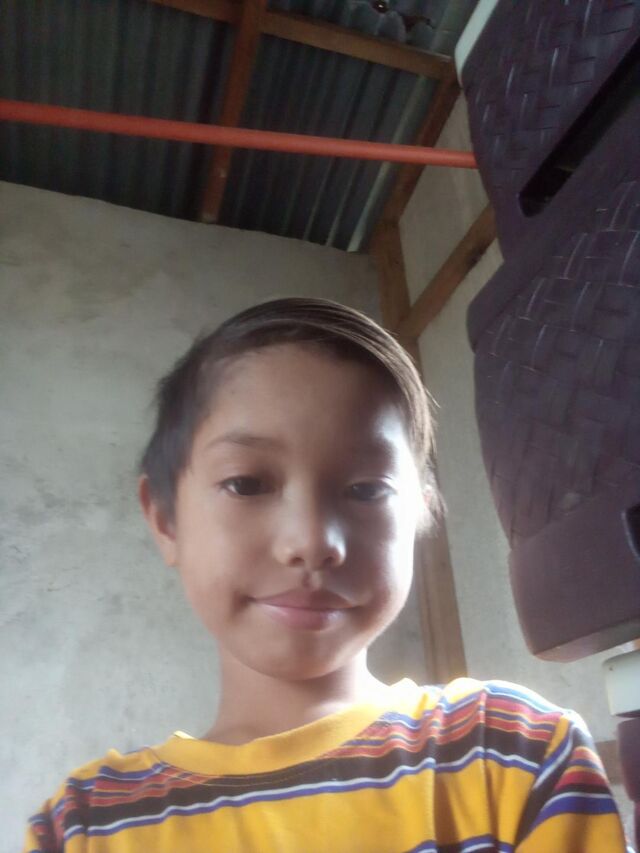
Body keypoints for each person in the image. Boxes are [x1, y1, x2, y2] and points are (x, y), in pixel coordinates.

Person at [23, 298, 628, 852]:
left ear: (420, 516)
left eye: (366, 490)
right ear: (165, 520)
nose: (313, 540)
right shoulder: (85, 827)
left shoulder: (511, 751)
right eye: (247, 483)